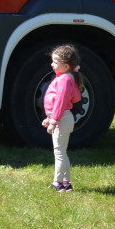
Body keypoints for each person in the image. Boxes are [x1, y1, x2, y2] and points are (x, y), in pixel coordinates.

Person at [41, 44, 83, 193]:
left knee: (59, 152)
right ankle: (66, 183)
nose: (52, 64)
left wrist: (53, 121)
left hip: (62, 119)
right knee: (62, 151)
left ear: (65, 66)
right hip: (63, 118)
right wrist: (50, 118)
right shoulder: (67, 78)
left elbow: (60, 103)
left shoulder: (64, 80)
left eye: (55, 62)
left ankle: (57, 183)